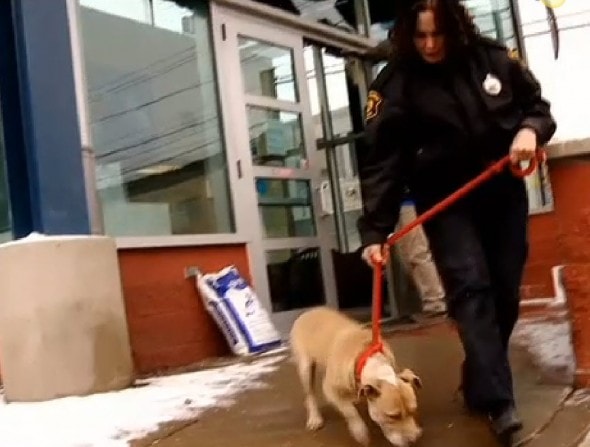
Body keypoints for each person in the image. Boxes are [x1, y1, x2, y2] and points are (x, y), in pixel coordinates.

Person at [356, 0, 556, 441]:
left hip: (501, 192)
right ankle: (500, 404)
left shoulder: (495, 59)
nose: (429, 45)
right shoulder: (395, 85)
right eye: (420, 35)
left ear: (455, 27)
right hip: (446, 201)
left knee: (504, 292)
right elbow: (382, 164)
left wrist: (528, 131)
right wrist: (375, 230)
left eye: (437, 34)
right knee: (470, 287)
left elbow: (537, 108)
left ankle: (480, 375)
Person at [397, 191, 447, 317]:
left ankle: (435, 300)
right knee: (408, 254)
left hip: (409, 201)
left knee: (417, 252)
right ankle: (433, 299)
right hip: (399, 203)